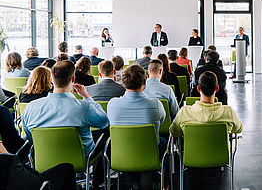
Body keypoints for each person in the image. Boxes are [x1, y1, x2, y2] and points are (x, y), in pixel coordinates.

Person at [22, 60, 109, 189]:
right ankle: (97, 185)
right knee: (104, 136)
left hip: (44, 159)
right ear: (73, 78)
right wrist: (87, 97)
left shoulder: (31, 108)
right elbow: (104, 122)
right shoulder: (84, 107)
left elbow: (30, 136)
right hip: (80, 159)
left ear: (51, 79)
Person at [107, 64, 166, 188]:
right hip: (149, 153)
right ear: (145, 82)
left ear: (123, 83)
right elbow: (162, 120)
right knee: (163, 141)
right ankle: (160, 182)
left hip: (121, 155)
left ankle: (134, 183)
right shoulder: (156, 105)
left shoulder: (112, 104)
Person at [170, 71, 242, 137]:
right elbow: (238, 129)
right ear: (217, 88)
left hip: (193, 151)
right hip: (219, 151)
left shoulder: (184, 112)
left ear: (198, 89)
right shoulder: (229, 113)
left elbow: (174, 132)